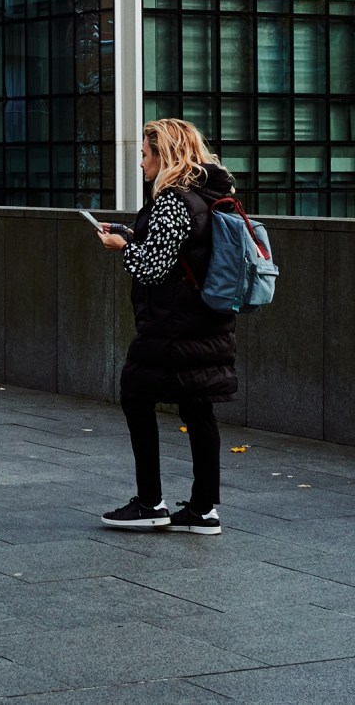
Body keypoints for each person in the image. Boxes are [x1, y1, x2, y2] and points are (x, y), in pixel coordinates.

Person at [96, 118, 238, 536]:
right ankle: (203, 509)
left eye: (144, 154)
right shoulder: (210, 194)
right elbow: (177, 252)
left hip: (172, 325)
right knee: (197, 408)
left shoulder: (174, 200)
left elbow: (152, 266)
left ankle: (149, 502)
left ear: (165, 155)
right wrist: (129, 232)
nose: (140, 163)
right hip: (206, 319)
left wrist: (121, 246)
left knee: (135, 394)